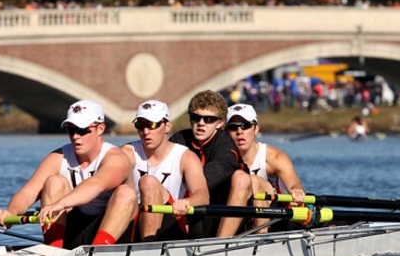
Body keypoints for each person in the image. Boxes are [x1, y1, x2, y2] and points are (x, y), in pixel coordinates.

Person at [0, 100, 137, 249]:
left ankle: (97, 252)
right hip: (78, 227)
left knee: (126, 193)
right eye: (70, 130)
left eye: (82, 130)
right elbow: (28, 193)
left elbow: (96, 185)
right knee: (54, 182)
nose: (75, 136)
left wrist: (59, 205)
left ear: (100, 129)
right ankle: (54, 250)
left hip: (116, 232)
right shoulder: (58, 157)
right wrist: (11, 212)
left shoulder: (117, 158)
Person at [121, 100, 209, 241]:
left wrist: (187, 202)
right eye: (140, 125)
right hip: (133, 221)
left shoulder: (186, 157)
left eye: (152, 125)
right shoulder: (127, 152)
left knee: (148, 182)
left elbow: (203, 196)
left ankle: (148, 247)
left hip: (170, 224)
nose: (145, 131)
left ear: (167, 126)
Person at [217, 103, 306, 237]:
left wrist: (296, 192)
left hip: (271, 213)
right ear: (226, 132)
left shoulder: (274, 157)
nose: (240, 131)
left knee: (252, 180)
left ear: (256, 129)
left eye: (245, 126)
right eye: (233, 127)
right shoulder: (219, 156)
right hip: (238, 210)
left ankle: (260, 238)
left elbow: (294, 185)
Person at [169, 90, 246, 239]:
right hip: (190, 208)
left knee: (242, 178)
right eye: (196, 118)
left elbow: (211, 176)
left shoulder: (226, 145)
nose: (201, 124)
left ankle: (223, 241)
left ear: (220, 123)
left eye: (209, 119)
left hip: (222, 209)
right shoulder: (179, 139)